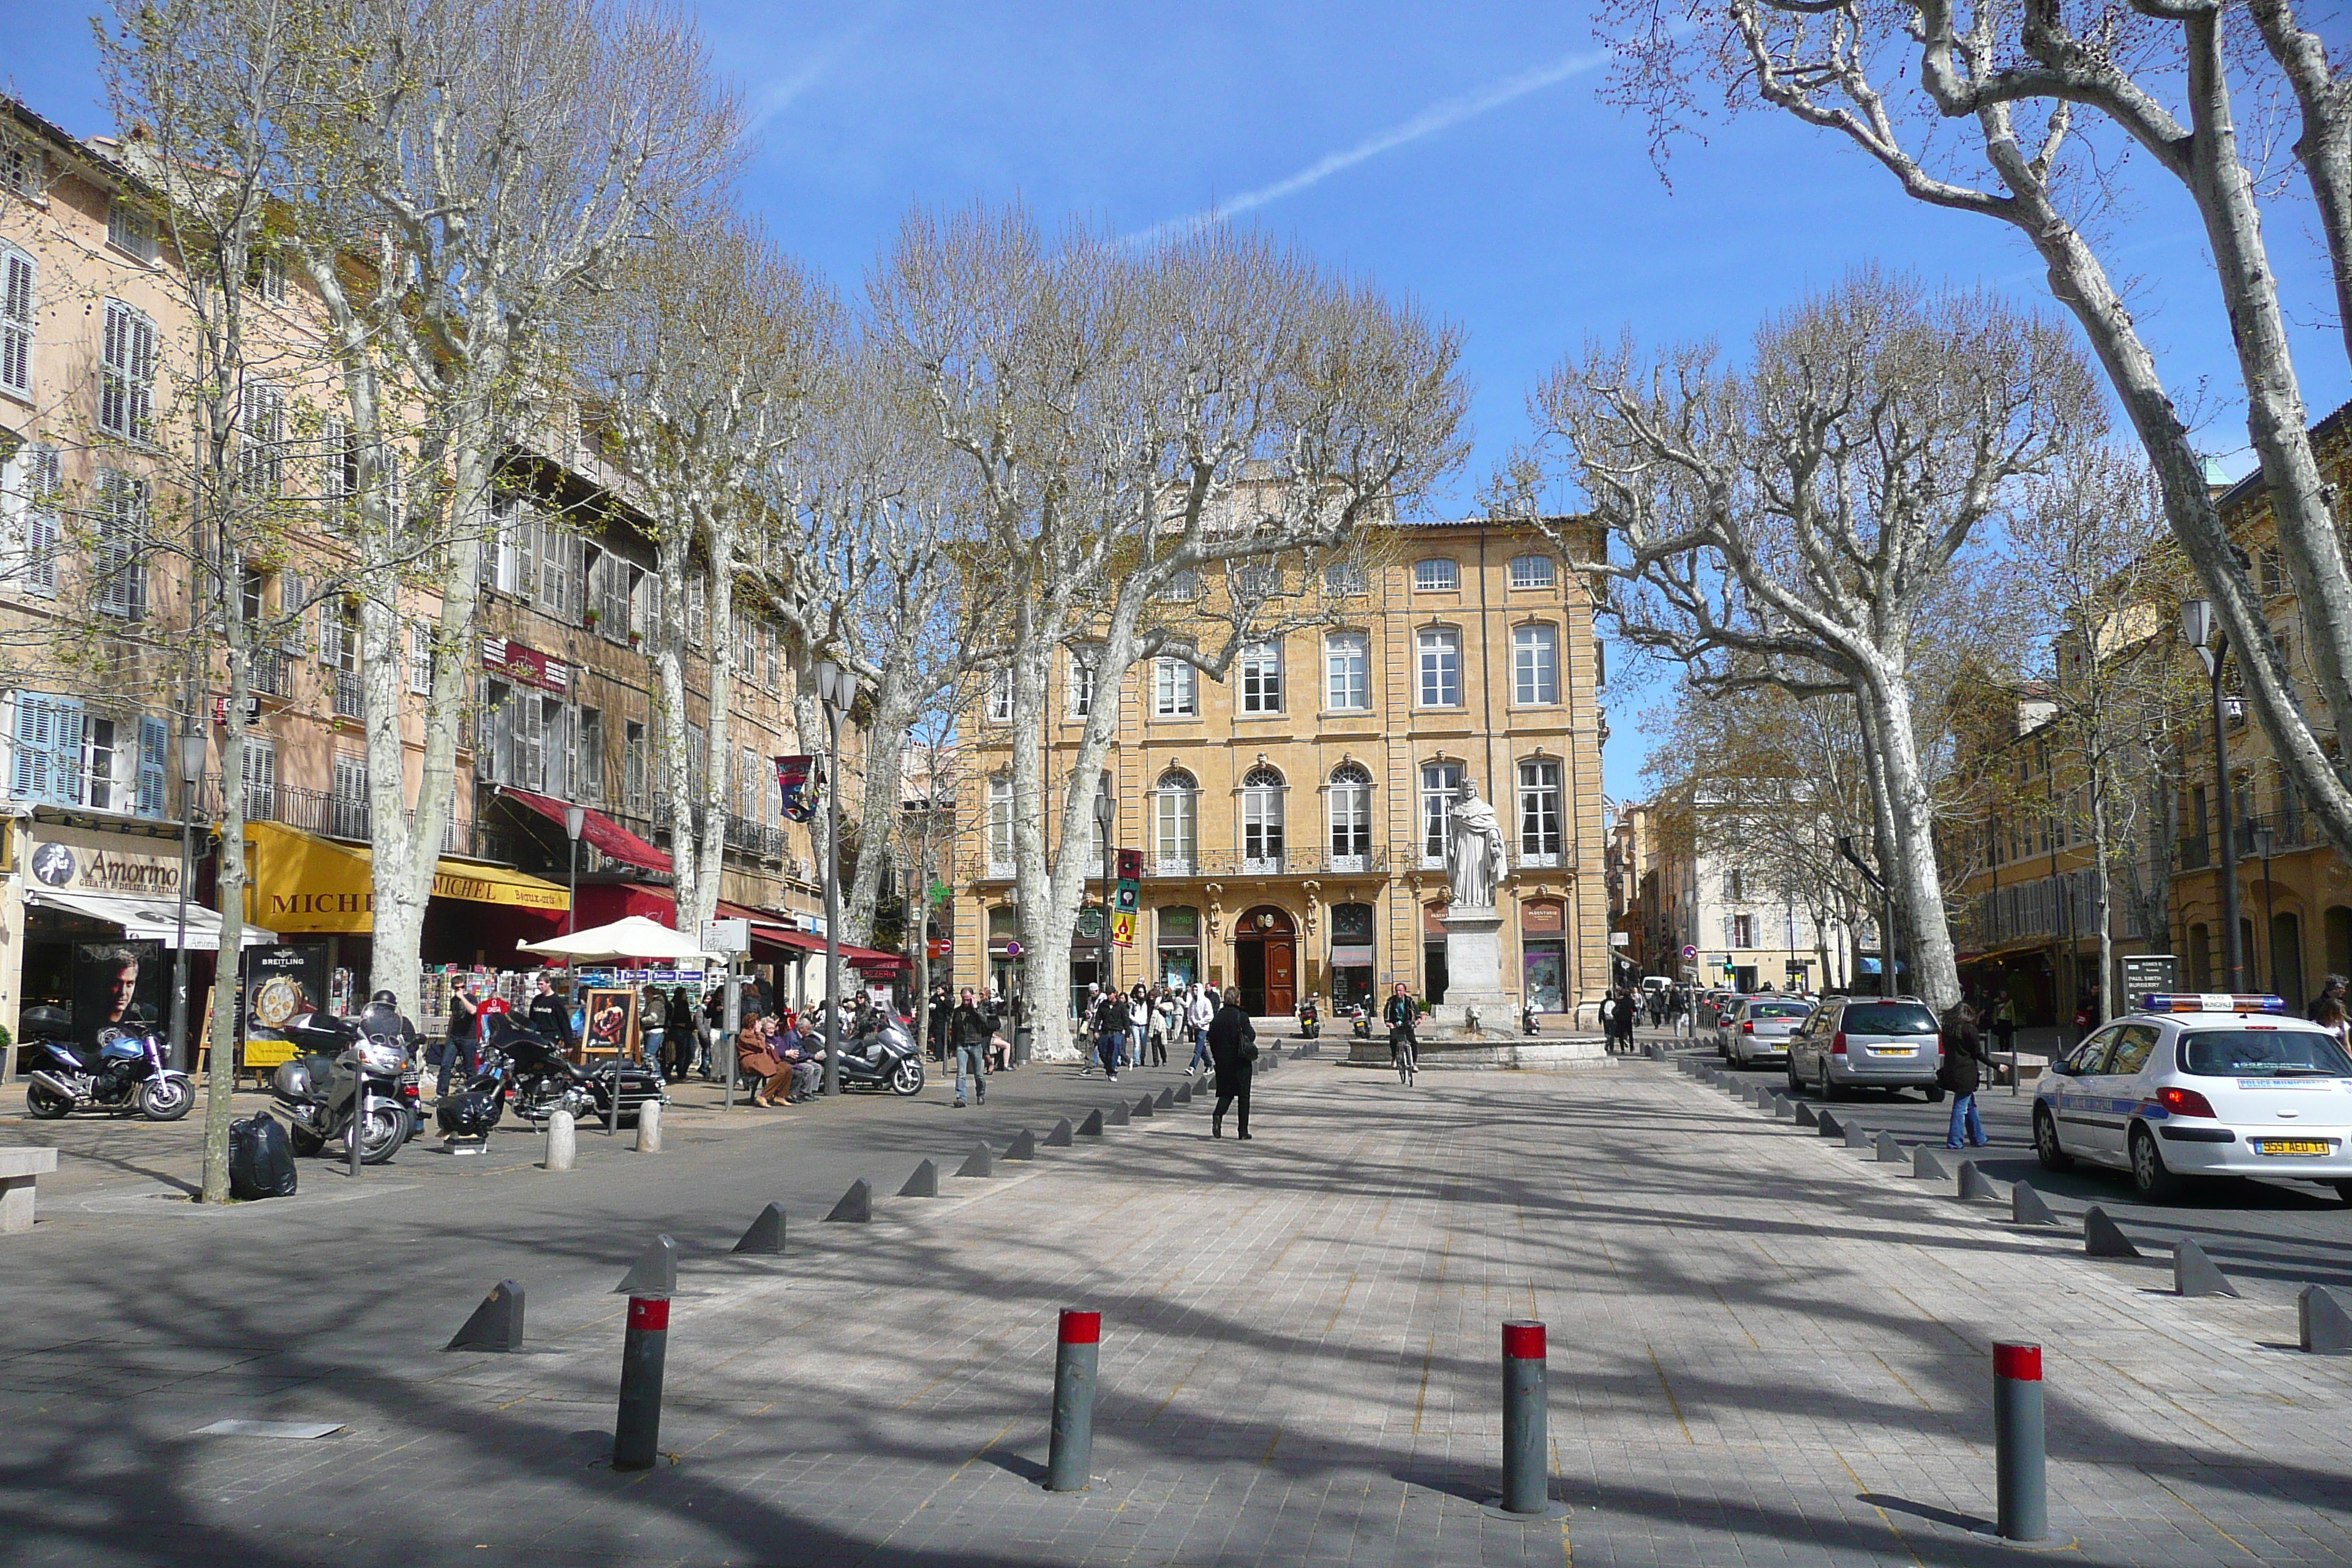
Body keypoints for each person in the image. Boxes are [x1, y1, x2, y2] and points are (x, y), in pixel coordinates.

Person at [1207, 986, 1256, 1139]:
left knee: (1227, 1093)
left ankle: (1218, 1115)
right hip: (1240, 1061)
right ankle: (1242, 1132)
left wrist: (1217, 1058)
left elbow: (1211, 1039)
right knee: (1243, 1096)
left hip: (1223, 1062)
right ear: (1237, 999)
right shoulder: (1241, 1016)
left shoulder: (1217, 1017)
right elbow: (1251, 1035)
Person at [1940, 1000, 1989, 1150]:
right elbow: (1977, 1053)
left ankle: (1978, 1137)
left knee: (1970, 1104)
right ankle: (1955, 1141)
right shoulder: (1969, 1030)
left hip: (1952, 1070)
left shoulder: (1949, 1030)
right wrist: (1996, 1065)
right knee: (1961, 1106)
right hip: (1966, 1073)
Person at [950, 986, 994, 1107]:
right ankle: (961, 1098)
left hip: (976, 1044)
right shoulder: (958, 1012)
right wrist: (952, 1047)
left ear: (972, 998)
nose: (966, 1002)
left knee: (979, 1074)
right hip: (962, 1045)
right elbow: (954, 1030)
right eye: (964, 999)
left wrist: (975, 1007)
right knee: (961, 1073)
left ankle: (981, 1094)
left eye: (968, 999)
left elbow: (985, 1021)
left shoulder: (978, 1009)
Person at [735, 1013, 790, 1107]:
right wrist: (760, 1033)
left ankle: (780, 1096)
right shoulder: (746, 1035)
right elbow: (760, 1046)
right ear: (752, 1024)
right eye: (758, 1023)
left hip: (760, 1060)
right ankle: (764, 1096)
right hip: (752, 1061)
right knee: (779, 1071)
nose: (760, 1025)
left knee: (787, 1068)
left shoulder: (753, 1034)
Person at [439, 979, 482, 1098]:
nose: (460, 990)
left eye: (462, 987)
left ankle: (473, 1094)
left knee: (470, 1068)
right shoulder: (453, 1000)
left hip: (469, 1037)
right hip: (454, 1037)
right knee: (446, 1065)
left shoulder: (471, 998)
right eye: (457, 988)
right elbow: (453, 1017)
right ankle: (441, 1093)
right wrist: (448, 1035)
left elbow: (473, 1011)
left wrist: (462, 997)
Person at [524, 972, 575, 1049]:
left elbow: (564, 1022)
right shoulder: (537, 1000)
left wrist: (569, 1043)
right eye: (538, 984)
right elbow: (532, 1019)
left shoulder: (556, 1001)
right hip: (537, 1035)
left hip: (552, 1036)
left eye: (542, 984)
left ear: (549, 983)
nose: (539, 987)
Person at [1382, 982, 1420, 1083]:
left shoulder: (1409, 1000)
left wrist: (1417, 1020)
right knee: (1393, 1039)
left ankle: (1414, 1063)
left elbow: (1415, 1010)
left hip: (1407, 1023)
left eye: (1400, 990)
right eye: (1397, 990)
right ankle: (1394, 1057)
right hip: (1395, 1023)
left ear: (1405, 991)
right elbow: (1386, 1011)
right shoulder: (1391, 1001)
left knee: (1413, 1042)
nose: (1398, 993)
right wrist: (1388, 1022)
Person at [1094, 987, 1130, 1081]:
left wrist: (1127, 1035)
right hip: (1105, 1031)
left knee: (1115, 1049)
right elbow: (1098, 1018)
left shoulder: (1121, 1006)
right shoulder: (1103, 1005)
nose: (1109, 996)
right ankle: (1108, 1068)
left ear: (1115, 994)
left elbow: (1126, 1020)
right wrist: (1096, 1030)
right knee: (1103, 1051)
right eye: (1107, 994)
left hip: (1117, 1031)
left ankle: (1113, 1071)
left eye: (1110, 994)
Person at [1185, 982, 1216, 1076]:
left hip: (1203, 1027)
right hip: (1196, 1027)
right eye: (1193, 990)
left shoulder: (1206, 1001)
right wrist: (1191, 1023)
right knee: (1201, 1047)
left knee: (1198, 1047)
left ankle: (1192, 1066)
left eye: (1196, 990)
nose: (1195, 992)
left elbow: (1210, 1016)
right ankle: (1209, 1065)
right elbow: (1189, 1014)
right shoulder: (1192, 1002)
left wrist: (1200, 1022)